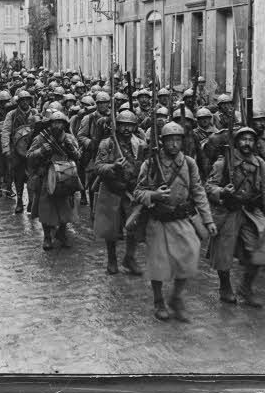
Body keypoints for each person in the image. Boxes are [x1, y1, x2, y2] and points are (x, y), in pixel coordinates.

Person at [128, 122, 218, 322]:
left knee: (190, 255)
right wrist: (154, 194)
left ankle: (176, 298)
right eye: (170, 140)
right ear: (162, 142)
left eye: (178, 140)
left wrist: (208, 220)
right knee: (159, 264)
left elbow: (198, 191)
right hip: (158, 219)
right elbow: (137, 192)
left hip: (181, 217)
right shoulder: (150, 163)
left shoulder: (189, 163)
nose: (174, 145)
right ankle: (159, 302)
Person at [206, 126, 265, 307]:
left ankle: (246, 287)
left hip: (250, 211)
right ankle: (225, 286)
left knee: (259, 250)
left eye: (251, 140)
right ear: (236, 142)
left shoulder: (259, 163)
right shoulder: (223, 163)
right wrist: (222, 191)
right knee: (224, 251)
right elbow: (209, 187)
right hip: (228, 211)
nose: (247, 143)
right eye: (243, 139)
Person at [90, 110, 148, 275]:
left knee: (133, 226)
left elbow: (145, 166)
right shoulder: (107, 144)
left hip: (132, 191)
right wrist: (113, 166)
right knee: (112, 228)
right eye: (123, 125)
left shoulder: (140, 144)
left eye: (130, 126)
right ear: (117, 126)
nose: (126, 129)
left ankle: (129, 257)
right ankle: (112, 259)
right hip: (112, 189)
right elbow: (98, 166)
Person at [25, 111, 84, 251]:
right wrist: (40, 151)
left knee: (66, 207)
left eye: (60, 123)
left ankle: (62, 233)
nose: (57, 126)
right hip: (47, 175)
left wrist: (71, 149)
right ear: (50, 124)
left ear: (64, 124)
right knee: (47, 208)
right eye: (54, 123)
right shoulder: (41, 138)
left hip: (67, 176)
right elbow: (29, 156)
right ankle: (47, 236)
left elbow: (78, 156)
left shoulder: (69, 137)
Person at [3, 90, 39, 216]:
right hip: (16, 149)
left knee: (33, 176)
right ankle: (19, 201)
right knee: (18, 176)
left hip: (32, 148)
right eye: (22, 100)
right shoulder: (11, 114)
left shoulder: (35, 112)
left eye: (27, 100)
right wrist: (6, 148)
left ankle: (32, 201)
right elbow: (6, 131)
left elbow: (40, 129)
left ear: (30, 100)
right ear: (18, 102)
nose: (24, 102)